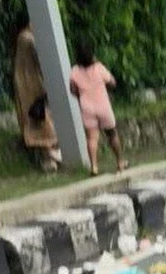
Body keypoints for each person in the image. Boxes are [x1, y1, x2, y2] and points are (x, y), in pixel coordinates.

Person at [11, 18, 61, 172]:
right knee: (42, 118)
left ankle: (49, 154)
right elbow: (41, 57)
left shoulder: (23, 38)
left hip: (27, 82)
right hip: (32, 83)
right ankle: (49, 154)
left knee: (38, 117)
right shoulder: (28, 38)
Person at [69, 42, 125, 176]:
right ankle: (119, 162)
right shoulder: (99, 67)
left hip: (87, 107)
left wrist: (81, 95)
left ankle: (94, 166)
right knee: (112, 134)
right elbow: (112, 82)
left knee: (92, 138)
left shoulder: (74, 71)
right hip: (103, 105)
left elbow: (72, 90)